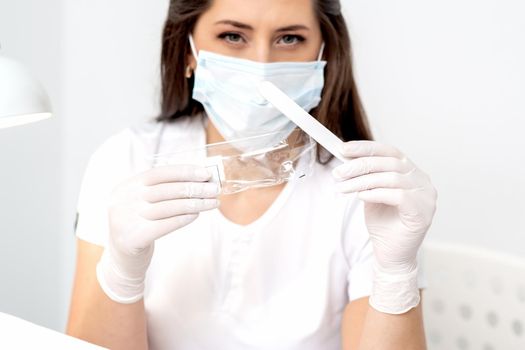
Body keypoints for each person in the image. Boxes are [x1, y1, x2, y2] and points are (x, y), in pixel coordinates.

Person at [66, 0, 437, 349]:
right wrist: (121, 274)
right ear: (187, 51)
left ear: (325, 54)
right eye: (233, 36)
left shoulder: (364, 191)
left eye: (289, 39)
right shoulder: (127, 161)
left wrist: (395, 275)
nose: (262, 67)